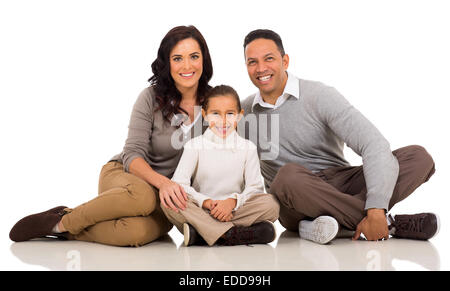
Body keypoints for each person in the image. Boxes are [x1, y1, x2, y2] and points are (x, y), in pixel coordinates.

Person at [9, 25, 213, 247]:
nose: (187, 66)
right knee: (143, 197)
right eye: (177, 58)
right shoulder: (150, 98)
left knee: (134, 233)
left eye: (194, 56)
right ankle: (61, 222)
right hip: (126, 178)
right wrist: (163, 183)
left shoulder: (216, 104)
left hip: (165, 199)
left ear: (204, 59)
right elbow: (132, 154)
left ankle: (68, 231)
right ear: (167, 63)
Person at [239, 29, 439, 244]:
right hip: (292, 197)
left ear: (285, 60)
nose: (261, 68)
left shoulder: (319, 96)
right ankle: (389, 225)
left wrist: (376, 207)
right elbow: (210, 147)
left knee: (419, 158)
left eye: (269, 58)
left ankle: (341, 224)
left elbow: (373, 144)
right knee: (287, 177)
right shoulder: (242, 112)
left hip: (340, 181)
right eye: (252, 62)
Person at [163, 85, 280, 246]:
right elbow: (179, 185)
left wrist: (232, 202)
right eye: (215, 114)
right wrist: (206, 202)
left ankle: (202, 233)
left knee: (271, 204)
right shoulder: (194, 145)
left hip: (233, 210)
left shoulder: (248, 148)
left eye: (230, 114)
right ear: (204, 115)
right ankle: (230, 234)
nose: (223, 121)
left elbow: (255, 188)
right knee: (169, 201)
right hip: (202, 209)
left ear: (239, 116)